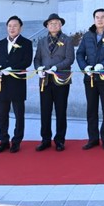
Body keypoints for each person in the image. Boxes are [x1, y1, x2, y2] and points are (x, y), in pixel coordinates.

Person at [75, 8, 104, 150]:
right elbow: (79, 54)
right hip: (90, 78)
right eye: (97, 17)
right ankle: (93, 139)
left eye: (102, 17)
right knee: (91, 109)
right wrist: (85, 67)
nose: (100, 19)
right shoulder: (88, 35)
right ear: (94, 19)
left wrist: (103, 65)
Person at [33, 13, 75, 152]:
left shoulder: (67, 40)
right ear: (47, 26)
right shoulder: (41, 41)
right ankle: (45, 139)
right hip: (45, 80)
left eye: (56, 23)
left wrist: (57, 68)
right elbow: (37, 59)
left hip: (61, 80)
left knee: (60, 111)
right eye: (51, 23)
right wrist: (38, 68)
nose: (53, 25)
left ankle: (60, 140)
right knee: (45, 111)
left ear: (61, 25)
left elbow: (69, 59)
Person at [0, 16, 33, 153]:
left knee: (18, 114)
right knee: (2, 114)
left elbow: (27, 61)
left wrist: (13, 68)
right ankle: (3, 140)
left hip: (17, 82)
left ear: (20, 27)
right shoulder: (0, 43)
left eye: (15, 26)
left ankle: (16, 141)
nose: (12, 28)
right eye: (9, 25)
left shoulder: (26, 43)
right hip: (2, 83)